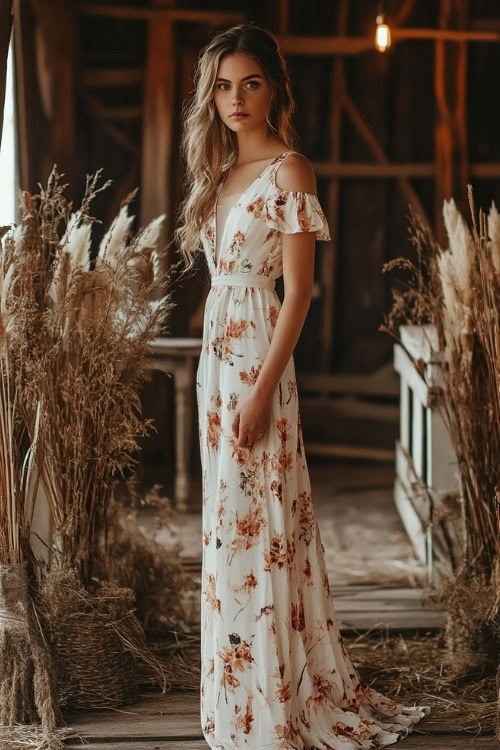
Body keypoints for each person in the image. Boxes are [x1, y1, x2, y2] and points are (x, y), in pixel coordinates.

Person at [176, 22, 429, 750]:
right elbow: (221, 282)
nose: (235, 97)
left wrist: (259, 390)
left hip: (260, 363)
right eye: (222, 85)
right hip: (217, 365)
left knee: (267, 520)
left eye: (249, 82)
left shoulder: (291, 170)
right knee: (229, 524)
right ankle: (238, 693)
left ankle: (277, 700)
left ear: (275, 88)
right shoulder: (218, 176)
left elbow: (298, 296)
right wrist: (219, 375)